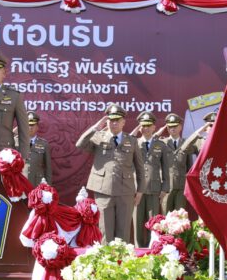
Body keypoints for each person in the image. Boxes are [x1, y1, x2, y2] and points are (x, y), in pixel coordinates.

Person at [75, 104, 144, 243]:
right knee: (105, 231)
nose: (114, 123)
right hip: (103, 191)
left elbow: (140, 168)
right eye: (111, 120)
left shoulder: (132, 141)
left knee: (123, 232)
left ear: (123, 122)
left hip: (125, 191)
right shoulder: (98, 137)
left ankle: (122, 257)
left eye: (117, 120)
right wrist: (96, 127)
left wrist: (140, 191)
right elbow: (80, 144)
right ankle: (106, 257)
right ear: (106, 122)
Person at [131, 111, 170, 247]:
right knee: (137, 221)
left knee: (153, 222)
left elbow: (166, 168)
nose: (146, 128)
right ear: (139, 127)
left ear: (154, 127)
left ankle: (151, 248)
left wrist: (165, 188)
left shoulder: (162, 145)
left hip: (154, 189)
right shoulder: (134, 143)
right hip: (137, 189)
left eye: (149, 125)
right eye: (143, 125)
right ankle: (138, 249)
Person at [158, 113, 193, 213]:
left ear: (180, 127)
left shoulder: (186, 143)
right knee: (166, 217)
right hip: (166, 188)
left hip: (181, 187)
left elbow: (189, 166)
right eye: (170, 126)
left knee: (180, 216)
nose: (172, 128)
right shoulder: (162, 143)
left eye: (175, 126)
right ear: (167, 128)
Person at [19, 111, 53, 187]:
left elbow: (48, 168)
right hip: (21, 182)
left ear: (37, 127)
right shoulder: (16, 141)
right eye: (28, 125)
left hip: (37, 183)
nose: (30, 127)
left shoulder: (44, 144)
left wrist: (48, 186)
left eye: (33, 125)